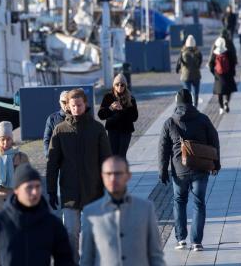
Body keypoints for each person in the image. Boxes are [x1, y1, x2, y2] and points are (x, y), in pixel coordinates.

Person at [47, 88, 112, 263]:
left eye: (79, 105)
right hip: (69, 192)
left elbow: (106, 160)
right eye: (73, 105)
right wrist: (51, 190)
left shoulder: (97, 128)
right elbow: (52, 163)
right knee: (70, 234)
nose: (76, 108)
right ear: (67, 106)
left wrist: (110, 188)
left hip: (94, 190)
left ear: (86, 104)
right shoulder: (60, 130)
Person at [158, 89, 220, 251]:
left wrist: (162, 170)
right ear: (192, 102)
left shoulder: (170, 122)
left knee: (179, 201)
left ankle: (180, 239)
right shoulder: (203, 119)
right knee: (199, 203)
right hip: (201, 168)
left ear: (177, 102)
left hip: (179, 170)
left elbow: (163, 149)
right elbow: (214, 140)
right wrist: (216, 163)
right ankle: (197, 242)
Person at [0, 164, 75, 266]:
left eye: (37, 186)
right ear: (16, 190)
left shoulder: (52, 223)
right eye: (29, 187)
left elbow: (65, 259)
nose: (34, 192)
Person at [80, 156, 165, 266]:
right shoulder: (91, 212)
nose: (113, 178)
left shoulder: (145, 208)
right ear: (102, 176)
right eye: (108, 174)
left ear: (128, 176)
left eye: (118, 173)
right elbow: (87, 257)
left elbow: (155, 254)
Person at [98, 74, 139, 157]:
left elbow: (134, 117)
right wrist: (110, 108)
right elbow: (101, 115)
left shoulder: (131, 98)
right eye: (117, 84)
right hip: (112, 130)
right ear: (114, 85)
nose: (120, 87)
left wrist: (122, 110)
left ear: (125, 86)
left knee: (121, 155)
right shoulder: (108, 97)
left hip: (126, 130)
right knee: (113, 154)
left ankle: (121, 170)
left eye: (122, 85)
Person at [209, 36, 238, 114]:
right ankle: (226, 101)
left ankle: (221, 107)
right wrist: (232, 72)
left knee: (219, 92)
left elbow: (211, 64)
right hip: (228, 74)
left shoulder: (215, 53)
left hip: (218, 75)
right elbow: (233, 63)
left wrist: (214, 72)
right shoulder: (227, 52)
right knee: (228, 90)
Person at [176, 35, 203, 107]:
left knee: (187, 93)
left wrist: (178, 69)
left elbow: (179, 63)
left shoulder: (183, 52)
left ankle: (188, 107)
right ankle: (196, 106)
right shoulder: (198, 53)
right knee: (196, 93)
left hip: (185, 76)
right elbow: (200, 63)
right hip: (196, 75)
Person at [43, 91, 69, 158]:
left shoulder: (77, 117)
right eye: (63, 102)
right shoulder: (52, 118)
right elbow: (47, 138)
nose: (66, 104)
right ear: (59, 102)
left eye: (68, 101)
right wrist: (48, 154)